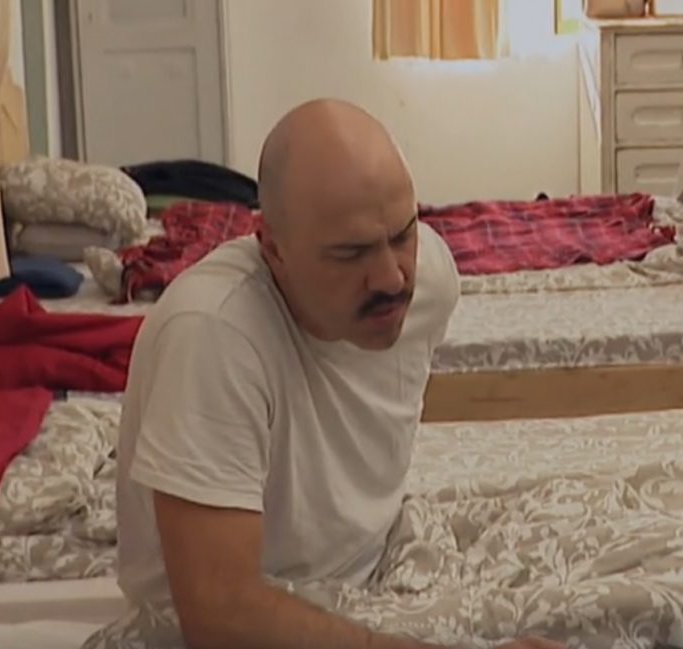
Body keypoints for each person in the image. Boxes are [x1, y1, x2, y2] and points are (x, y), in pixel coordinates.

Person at [85, 100, 564, 649]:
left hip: (376, 573)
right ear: (274, 250)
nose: (391, 278)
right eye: (351, 253)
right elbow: (219, 615)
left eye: (402, 234)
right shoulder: (213, 335)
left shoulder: (430, 281)